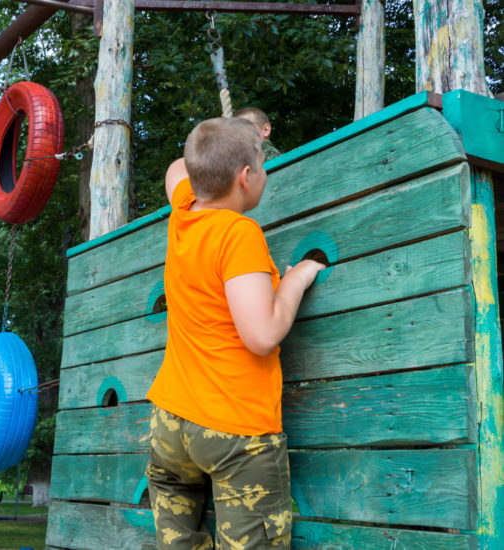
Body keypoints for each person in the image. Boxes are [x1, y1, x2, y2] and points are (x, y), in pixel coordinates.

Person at [145, 117, 324, 549]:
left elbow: (176, 169)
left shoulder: (184, 210)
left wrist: (226, 136)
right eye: (262, 164)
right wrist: (296, 280)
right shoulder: (239, 233)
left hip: (171, 427)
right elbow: (262, 334)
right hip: (234, 431)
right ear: (246, 178)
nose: (264, 171)